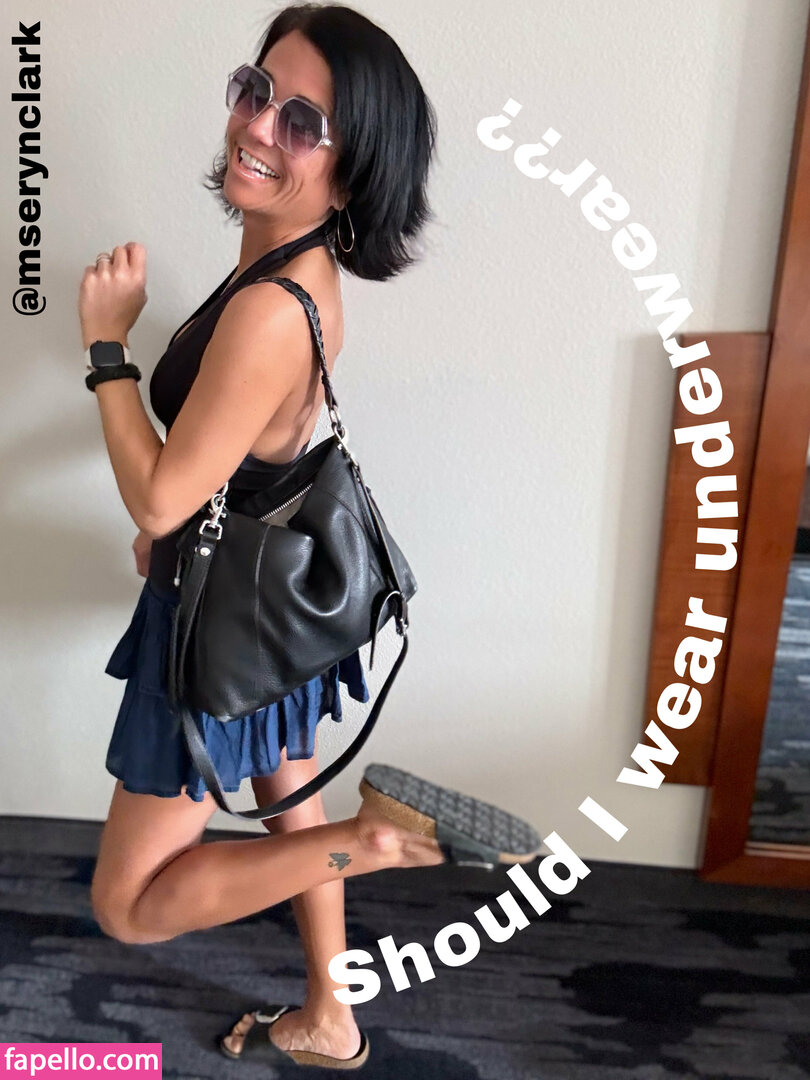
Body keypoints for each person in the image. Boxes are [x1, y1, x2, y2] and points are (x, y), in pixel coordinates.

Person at [80, 2, 541, 1070]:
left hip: (215, 622)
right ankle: (333, 1014)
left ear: (353, 167)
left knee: (129, 905)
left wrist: (107, 351)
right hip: (266, 597)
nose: (257, 126)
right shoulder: (297, 267)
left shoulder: (271, 307)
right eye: (256, 92)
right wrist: (176, 516)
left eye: (302, 122)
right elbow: (227, 461)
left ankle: (375, 844)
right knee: (287, 791)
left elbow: (159, 501)